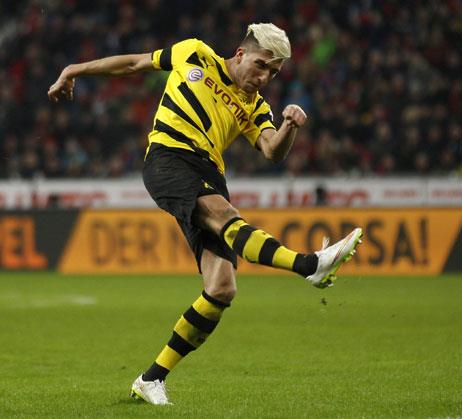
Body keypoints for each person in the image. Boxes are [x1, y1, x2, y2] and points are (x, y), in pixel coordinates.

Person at [48, 23, 363, 405]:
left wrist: (289, 126)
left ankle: (151, 378)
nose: (264, 78)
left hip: (209, 174)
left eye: (274, 72)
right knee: (225, 216)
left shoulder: (255, 106)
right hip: (168, 157)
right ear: (241, 53)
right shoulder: (194, 53)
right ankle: (309, 265)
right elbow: (134, 63)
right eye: (261, 65)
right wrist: (73, 70)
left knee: (221, 288)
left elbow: (271, 150)